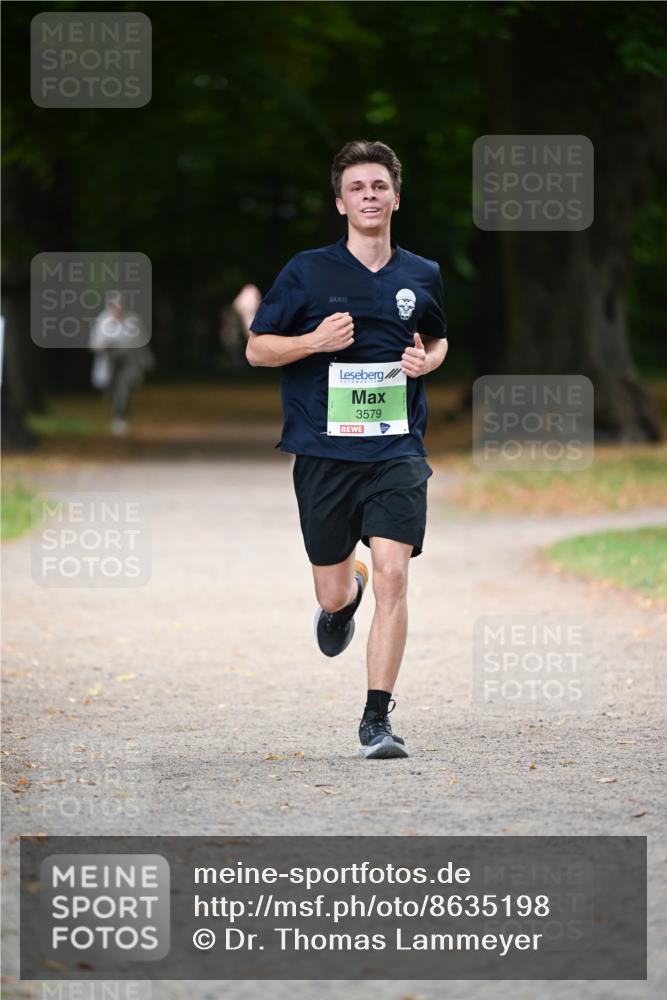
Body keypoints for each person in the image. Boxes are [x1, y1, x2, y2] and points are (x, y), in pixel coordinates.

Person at [235, 140, 448, 760]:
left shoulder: (422, 274)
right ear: (340, 202)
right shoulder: (307, 272)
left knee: (395, 574)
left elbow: (436, 342)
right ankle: (341, 595)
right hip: (325, 452)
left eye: (379, 186)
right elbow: (257, 349)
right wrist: (314, 340)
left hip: (397, 449)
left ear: (396, 198)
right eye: (357, 187)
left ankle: (376, 719)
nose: (370, 196)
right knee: (334, 591)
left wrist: (423, 361)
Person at [89, 292, 154, 435]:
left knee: (123, 388)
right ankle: (117, 413)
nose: (117, 308)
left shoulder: (132, 320)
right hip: (109, 361)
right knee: (111, 390)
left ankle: (120, 417)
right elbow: (94, 342)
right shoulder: (103, 320)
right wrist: (103, 345)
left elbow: (140, 342)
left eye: (120, 305)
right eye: (114, 305)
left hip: (127, 361)